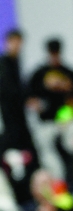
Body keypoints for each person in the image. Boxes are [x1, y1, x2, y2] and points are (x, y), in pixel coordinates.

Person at [25, 38, 73, 179]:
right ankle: (57, 180)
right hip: (47, 119)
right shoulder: (39, 74)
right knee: (45, 148)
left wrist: (68, 87)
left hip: (67, 117)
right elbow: (28, 96)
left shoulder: (69, 73)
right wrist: (35, 103)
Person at [0, 29, 37, 160]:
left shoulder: (15, 63)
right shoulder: (4, 64)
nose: (17, 46)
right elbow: (8, 90)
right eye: (15, 42)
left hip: (17, 116)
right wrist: (26, 99)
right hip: (9, 116)